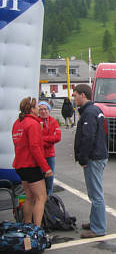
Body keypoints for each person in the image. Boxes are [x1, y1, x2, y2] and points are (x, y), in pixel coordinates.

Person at [73, 84, 108, 238]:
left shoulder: (89, 113)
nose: (74, 98)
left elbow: (88, 137)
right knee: (94, 192)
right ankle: (95, 222)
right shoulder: (95, 110)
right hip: (98, 155)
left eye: (75, 95)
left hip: (94, 157)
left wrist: (83, 157)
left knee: (95, 194)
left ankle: (98, 228)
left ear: (83, 95)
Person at [12, 97, 53, 226]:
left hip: (20, 165)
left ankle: (27, 226)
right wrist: (46, 168)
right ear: (31, 109)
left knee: (29, 197)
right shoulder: (32, 124)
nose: (39, 109)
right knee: (41, 197)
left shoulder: (17, 123)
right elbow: (35, 148)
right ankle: (37, 229)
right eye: (36, 107)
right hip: (30, 165)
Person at [38, 101, 61, 196]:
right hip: (38, 155)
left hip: (50, 155)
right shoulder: (35, 121)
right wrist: (49, 140)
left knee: (49, 179)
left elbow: (58, 137)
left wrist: (43, 139)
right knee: (39, 180)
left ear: (49, 110)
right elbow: (35, 139)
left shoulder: (53, 121)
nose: (43, 111)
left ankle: (49, 200)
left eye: (45, 109)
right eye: (41, 109)